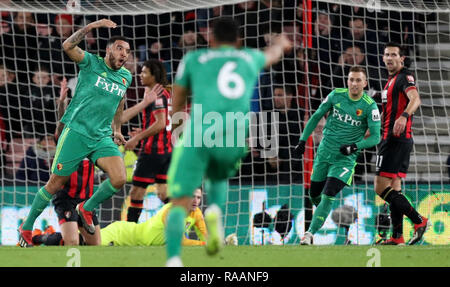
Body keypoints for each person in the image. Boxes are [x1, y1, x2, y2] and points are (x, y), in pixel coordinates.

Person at [165, 17, 291, 267]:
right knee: (218, 178)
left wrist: (177, 126)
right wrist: (280, 43)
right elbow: (273, 54)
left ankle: (174, 261)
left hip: (200, 132)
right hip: (233, 134)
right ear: (238, 41)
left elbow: (177, 99)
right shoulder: (247, 57)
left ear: (210, 39)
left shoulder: (194, 59)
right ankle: (215, 213)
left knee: (179, 201)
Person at [18, 18, 132, 247]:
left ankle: (86, 207)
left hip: (100, 137)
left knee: (120, 178)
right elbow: (67, 46)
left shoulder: (125, 77)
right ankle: (27, 227)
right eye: (120, 48)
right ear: (109, 49)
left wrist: (117, 129)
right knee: (54, 184)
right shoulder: (91, 62)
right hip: (76, 132)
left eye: (128, 51)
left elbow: (119, 102)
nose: (124, 54)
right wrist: (92, 26)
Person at [295, 66, 381, 245]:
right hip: (324, 154)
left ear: (365, 83)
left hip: (345, 160)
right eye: (351, 79)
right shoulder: (336, 95)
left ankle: (309, 234)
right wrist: (303, 140)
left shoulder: (369, 106)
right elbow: (316, 115)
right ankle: (322, 212)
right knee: (314, 194)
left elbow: (375, 137)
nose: (354, 84)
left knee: (328, 194)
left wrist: (354, 147)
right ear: (347, 81)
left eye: (358, 80)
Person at [374, 42, 430, 245]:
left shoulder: (404, 77)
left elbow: (415, 99)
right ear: (382, 58)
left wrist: (405, 115)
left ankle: (419, 220)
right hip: (396, 138)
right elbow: (387, 112)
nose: (389, 58)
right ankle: (397, 236)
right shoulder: (389, 81)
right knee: (394, 188)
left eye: (394, 55)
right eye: (386, 54)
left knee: (380, 187)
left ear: (401, 59)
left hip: (395, 139)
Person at [32, 188, 206, 247]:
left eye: (199, 197)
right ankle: (38, 237)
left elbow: (205, 235)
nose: (196, 201)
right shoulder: (172, 210)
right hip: (125, 233)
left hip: (137, 241)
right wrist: (204, 244)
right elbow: (177, 240)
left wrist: (216, 242)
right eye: (193, 196)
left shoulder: (196, 213)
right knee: (83, 243)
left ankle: (48, 233)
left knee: (83, 242)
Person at [120, 59, 172, 222]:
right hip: (166, 150)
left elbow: (161, 123)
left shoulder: (156, 95)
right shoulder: (160, 92)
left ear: (154, 75)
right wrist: (143, 131)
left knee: (136, 192)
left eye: (144, 72)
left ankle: (129, 230)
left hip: (152, 151)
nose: (140, 75)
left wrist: (138, 137)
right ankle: (186, 219)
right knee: (163, 192)